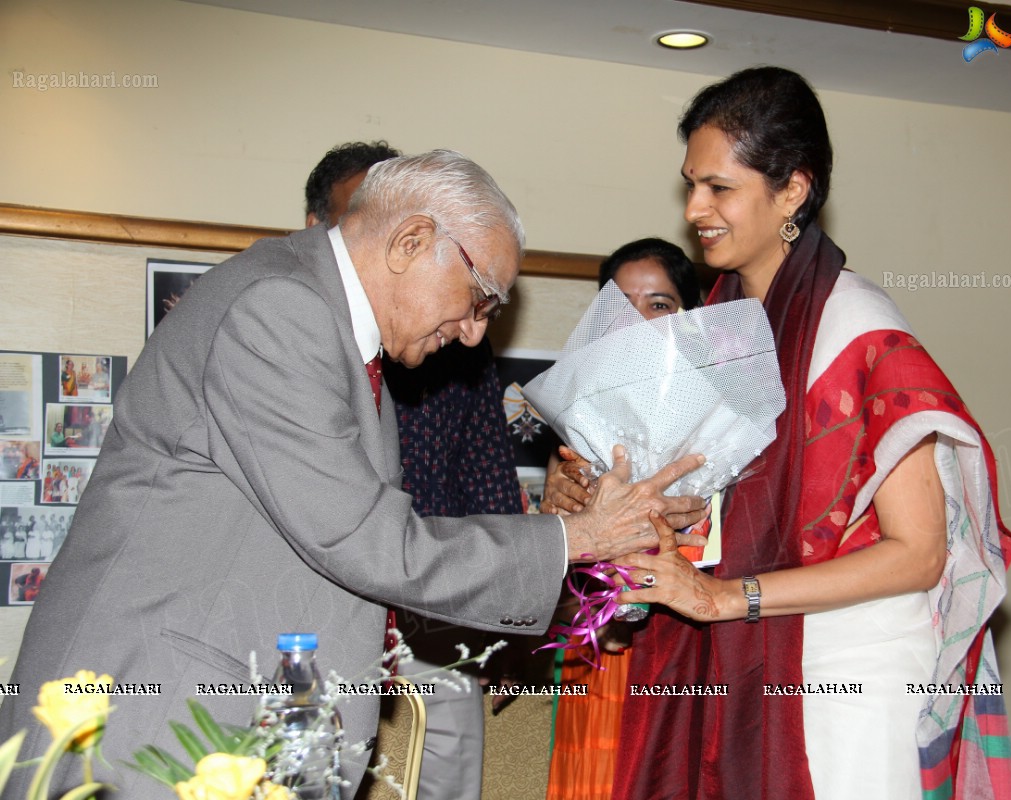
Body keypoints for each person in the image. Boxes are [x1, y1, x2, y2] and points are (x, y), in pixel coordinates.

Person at [0, 150, 709, 798]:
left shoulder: (349, 343)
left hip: (237, 725)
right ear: (410, 243)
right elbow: (369, 542)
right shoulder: (281, 309)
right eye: (482, 295)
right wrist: (575, 537)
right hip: (154, 721)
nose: (474, 331)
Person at [548, 68, 1011, 799]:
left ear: (793, 191)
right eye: (690, 186)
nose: (695, 209)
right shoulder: (723, 330)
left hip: (849, 673)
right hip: (739, 664)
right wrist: (625, 506)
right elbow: (724, 516)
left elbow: (921, 553)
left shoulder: (856, 326)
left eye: (719, 188)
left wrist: (723, 599)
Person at [305, 139, 525, 800]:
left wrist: (506, 617)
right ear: (322, 230)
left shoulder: (455, 338)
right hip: (317, 604)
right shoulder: (291, 326)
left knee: (449, 771)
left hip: (437, 599)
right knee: (309, 766)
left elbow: (488, 475)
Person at [543, 238, 702, 800]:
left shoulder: (724, 423)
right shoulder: (575, 430)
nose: (638, 321)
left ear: (693, 316)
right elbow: (555, 574)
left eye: (659, 304)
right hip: (596, 654)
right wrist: (557, 516)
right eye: (621, 305)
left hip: (691, 651)